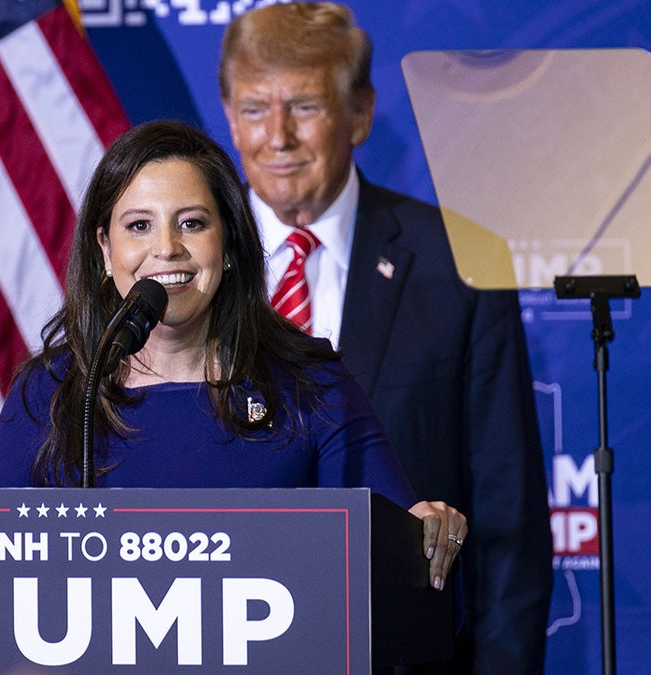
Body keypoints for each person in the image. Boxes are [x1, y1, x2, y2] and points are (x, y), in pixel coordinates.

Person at [0, 119, 467, 592]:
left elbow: (400, 586)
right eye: (139, 226)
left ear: (230, 243)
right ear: (106, 250)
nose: (167, 249)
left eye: (191, 223)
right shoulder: (47, 396)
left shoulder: (310, 386)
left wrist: (424, 539)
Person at [217, 4, 552, 674]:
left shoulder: (458, 260)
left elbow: (507, 517)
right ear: (228, 116)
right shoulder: (193, 266)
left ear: (361, 115)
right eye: (254, 109)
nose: (276, 136)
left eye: (304, 106)